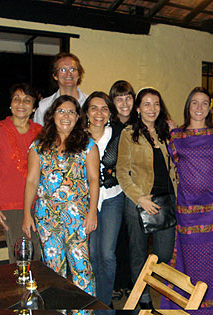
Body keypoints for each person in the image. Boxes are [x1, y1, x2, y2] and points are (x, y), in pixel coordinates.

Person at [22, 95, 99, 295]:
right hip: (46, 216)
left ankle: (83, 310)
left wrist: (92, 212)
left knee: (81, 267)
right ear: (52, 115)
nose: (66, 116)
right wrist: (26, 214)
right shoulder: (38, 146)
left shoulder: (88, 145)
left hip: (78, 215)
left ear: (77, 117)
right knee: (53, 268)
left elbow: (93, 180)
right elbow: (31, 181)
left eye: (71, 112)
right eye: (61, 111)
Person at [161, 87, 213, 309]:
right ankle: (187, 306)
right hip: (187, 211)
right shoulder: (176, 136)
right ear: (188, 106)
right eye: (194, 103)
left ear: (209, 107)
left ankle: (211, 309)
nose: (199, 108)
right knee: (188, 259)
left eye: (203, 103)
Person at [116, 87, 176, 309]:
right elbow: (122, 172)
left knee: (164, 252)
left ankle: (149, 282)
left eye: (156, 104)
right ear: (138, 108)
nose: (152, 109)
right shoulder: (129, 134)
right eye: (147, 104)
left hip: (165, 201)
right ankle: (142, 296)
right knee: (138, 251)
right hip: (138, 202)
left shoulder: (167, 132)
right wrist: (139, 198)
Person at [0, 83, 42, 263]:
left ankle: (34, 290)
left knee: (39, 253)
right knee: (21, 254)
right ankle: (21, 291)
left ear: (33, 107)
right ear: (10, 103)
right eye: (16, 99)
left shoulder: (40, 131)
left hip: (38, 202)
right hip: (10, 203)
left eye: (27, 100)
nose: (21, 103)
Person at [85, 92, 124, 307]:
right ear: (87, 112)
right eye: (94, 108)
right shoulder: (78, 136)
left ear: (110, 113)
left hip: (111, 198)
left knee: (107, 254)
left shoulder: (118, 134)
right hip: (84, 199)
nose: (99, 113)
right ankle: (92, 300)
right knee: (90, 253)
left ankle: (105, 303)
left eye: (104, 108)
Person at [108, 80, 136, 300]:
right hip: (114, 190)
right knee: (116, 239)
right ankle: (117, 282)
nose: (124, 103)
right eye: (119, 98)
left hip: (137, 189)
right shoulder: (108, 126)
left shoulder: (141, 123)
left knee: (133, 240)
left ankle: (131, 283)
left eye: (128, 97)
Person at [34, 52, 88, 126]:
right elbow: (39, 134)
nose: (68, 73)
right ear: (55, 76)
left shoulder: (89, 103)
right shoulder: (44, 106)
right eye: (63, 70)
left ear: (79, 74)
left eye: (72, 69)